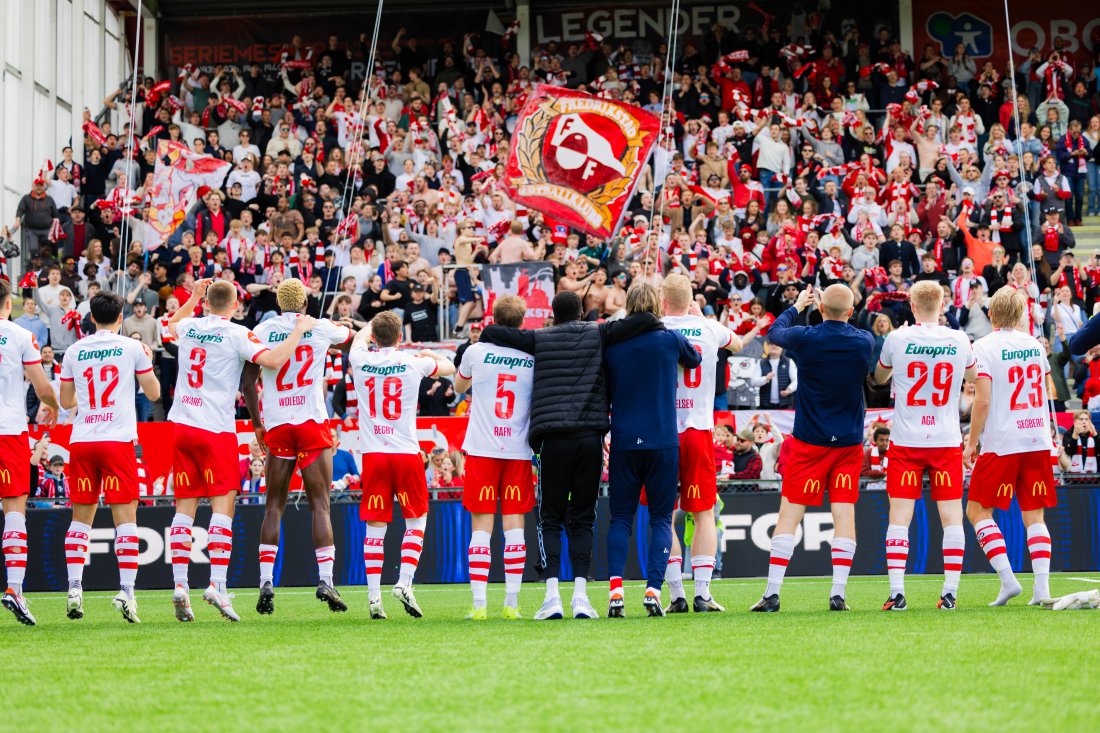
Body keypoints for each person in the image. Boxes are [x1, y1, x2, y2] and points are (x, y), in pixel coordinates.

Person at [477, 291, 661, 621]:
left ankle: (551, 597)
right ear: (581, 312)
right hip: (589, 437)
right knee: (583, 517)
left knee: (550, 517)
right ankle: (581, 598)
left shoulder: (538, 337)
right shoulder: (599, 331)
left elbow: (492, 332)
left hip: (552, 440)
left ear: (553, 314)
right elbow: (644, 319)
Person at [164, 279, 313, 622]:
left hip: (182, 425)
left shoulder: (189, 326)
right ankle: (217, 584)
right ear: (235, 307)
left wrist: (192, 299)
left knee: (184, 509)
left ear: (206, 303)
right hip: (215, 429)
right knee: (222, 505)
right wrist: (298, 330)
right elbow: (273, 361)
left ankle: (180, 586)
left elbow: (170, 325)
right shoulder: (237, 334)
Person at [751, 284, 874, 612]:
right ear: (851, 312)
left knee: (789, 514)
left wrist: (796, 305)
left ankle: (773, 592)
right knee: (844, 515)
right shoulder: (864, 341)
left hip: (809, 442)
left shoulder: (806, 337)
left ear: (820, 309)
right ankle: (838, 593)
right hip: (847, 443)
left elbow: (774, 331)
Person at [242, 278, 352, 615]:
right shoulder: (319, 326)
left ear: (277, 301)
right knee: (320, 504)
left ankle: (265, 581)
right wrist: (334, 332)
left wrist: (258, 424)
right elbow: (350, 342)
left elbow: (247, 383)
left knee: (273, 505)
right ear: (304, 302)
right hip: (311, 422)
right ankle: (325, 579)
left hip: (277, 424)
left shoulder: (262, 330)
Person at [873, 281, 976, 611]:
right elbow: (973, 377)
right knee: (951, 518)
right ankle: (950, 593)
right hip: (945, 440)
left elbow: (879, 378)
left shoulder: (897, 338)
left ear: (912, 306)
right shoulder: (959, 339)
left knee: (899, 518)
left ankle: (897, 592)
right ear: (943, 304)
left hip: (907, 440)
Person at [59, 292, 161, 623]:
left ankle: (75, 588)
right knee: (126, 518)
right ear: (121, 318)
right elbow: (154, 393)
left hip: (83, 439)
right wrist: (147, 358)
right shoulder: (132, 347)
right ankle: (127, 593)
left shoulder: (74, 350)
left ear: (91, 318)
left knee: (80, 518)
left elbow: (65, 401)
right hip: (116, 440)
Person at [604, 283, 702, 617]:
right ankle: (653, 590)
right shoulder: (670, 339)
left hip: (625, 442)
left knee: (620, 518)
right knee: (661, 518)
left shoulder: (613, 343)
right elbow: (695, 358)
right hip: (663, 441)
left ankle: (616, 591)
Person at [349, 312, 455, 620]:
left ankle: (373, 596)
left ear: (374, 337)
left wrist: (368, 327)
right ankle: (405, 582)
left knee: (375, 527)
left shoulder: (360, 359)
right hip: (406, 453)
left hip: (373, 454)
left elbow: (358, 340)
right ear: (400, 338)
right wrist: (430, 353)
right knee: (416, 520)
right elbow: (450, 368)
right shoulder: (413, 362)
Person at [964, 286, 1056, 606]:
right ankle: (1041, 589)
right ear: (1020, 315)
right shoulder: (1033, 343)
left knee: (977, 510)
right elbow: (1046, 389)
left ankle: (1008, 580)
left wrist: (971, 442)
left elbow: (983, 400)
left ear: (990, 314)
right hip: (1037, 438)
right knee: (1034, 516)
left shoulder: (984, 346)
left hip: (1002, 440)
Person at [659, 274, 742, 613]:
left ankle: (677, 594)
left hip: (663, 430)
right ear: (691, 299)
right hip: (699, 428)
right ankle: (703, 594)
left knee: (663, 516)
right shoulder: (709, 328)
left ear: (663, 300)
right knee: (704, 512)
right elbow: (736, 344)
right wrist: (701, 318)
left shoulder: (655, 327)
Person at [452, 295, 535, 620]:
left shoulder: (475, 351)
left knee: (481, 527)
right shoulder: (532, 354)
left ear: (494, 319)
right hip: (517, 450)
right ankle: (512, 604)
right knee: (514, 526)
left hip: (483, 448)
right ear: (521, 321)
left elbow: (459, 386)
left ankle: (479, 604)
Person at [0, 279, 59, 626]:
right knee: (14, 509)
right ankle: (14, 590)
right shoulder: (21, 336)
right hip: (8, 431)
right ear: (9, 304)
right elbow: (42, 386)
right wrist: (54, 405)